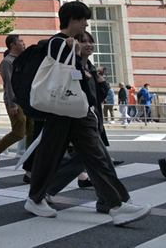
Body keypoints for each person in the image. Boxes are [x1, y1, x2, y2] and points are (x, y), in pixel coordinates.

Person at [24, 1, 150, 227]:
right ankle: (35, 198)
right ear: (73, 19)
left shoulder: (71, 44)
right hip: (62, 108)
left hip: (77, 110)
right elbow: (64, 76)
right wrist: (76, 54)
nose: (86, 24)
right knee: (50, 156)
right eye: (84, 19)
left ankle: (119, 205)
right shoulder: (58, 43)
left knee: (95, 157)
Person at [42, 31, 115, 212]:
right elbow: (71, 89)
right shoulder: (75, 65)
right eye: (84, 42)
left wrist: (101, 82)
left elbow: (98, 97)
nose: (89, 45)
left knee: (82, 159)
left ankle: (43, 189)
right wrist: (83, 76)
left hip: (91, 120)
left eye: (91, 42)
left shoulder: (89, 66)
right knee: (100, 161)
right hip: (79, 120)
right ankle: (109, 201)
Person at [0, 35, 35, 171]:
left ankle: (30, 160)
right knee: (18, 132)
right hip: (16, 101)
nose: (24, 44)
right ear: (12, 45)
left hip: (26, 101)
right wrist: (12, 104)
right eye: (21, 41)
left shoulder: (22, 60)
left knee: (32, 132)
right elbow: (9, 84)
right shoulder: (7, 62)